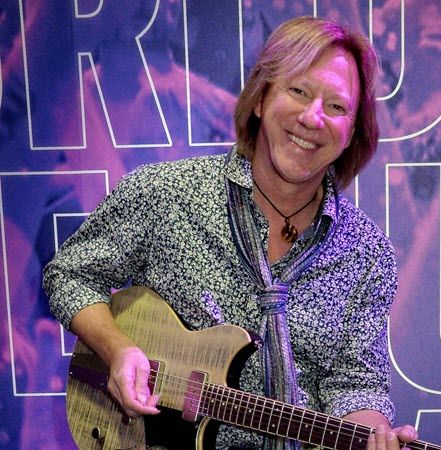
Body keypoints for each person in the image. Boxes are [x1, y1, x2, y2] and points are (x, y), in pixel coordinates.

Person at [43, 16, 418, 449]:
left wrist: (372, 433)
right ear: (261, 99)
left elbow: (356, 382)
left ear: (353, 131)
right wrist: (118, 349)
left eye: (336, 107)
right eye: (297, 91)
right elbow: (70, 274)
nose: (312, 117)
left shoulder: (368, 254)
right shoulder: (165, 194)